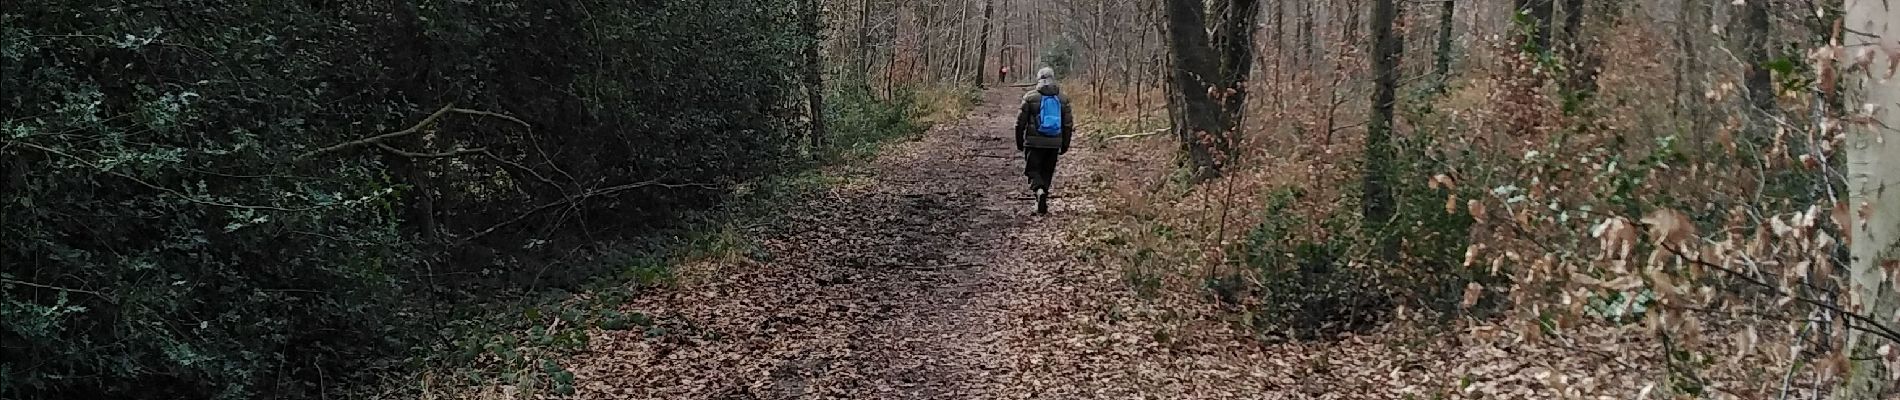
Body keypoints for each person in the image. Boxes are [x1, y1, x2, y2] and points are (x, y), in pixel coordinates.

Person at [1014, 67, 1073, 214]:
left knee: (1032, 170)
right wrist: (1065, 144)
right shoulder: (1063, 99)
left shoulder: (1030, 97)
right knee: (1047, 171)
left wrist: (1019, 141)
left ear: (1038, 79)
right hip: (1054, 143)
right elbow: (1068, 125)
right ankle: (1042, 197)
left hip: (1033, 143)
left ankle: (1039, 191)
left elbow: (1020, 122)